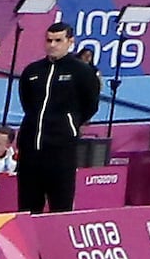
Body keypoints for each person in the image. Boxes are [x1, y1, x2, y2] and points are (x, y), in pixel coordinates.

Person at [15, 19, 102, 213]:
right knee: (27, 205)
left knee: (60, 204)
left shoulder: (82, 71)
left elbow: (90, 104)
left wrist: (69, 123)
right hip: (31, 148)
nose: (52, 45)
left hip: (61, 149)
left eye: (58, 40)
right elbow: (27, 101)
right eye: (49, 40)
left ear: (70, 42)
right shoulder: (32, 71)